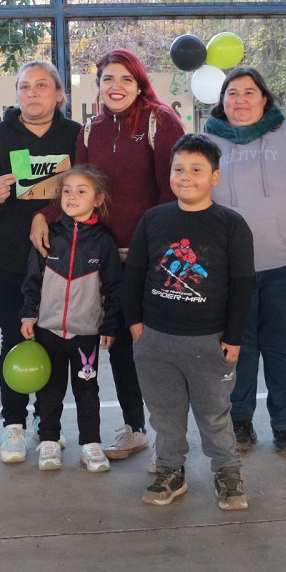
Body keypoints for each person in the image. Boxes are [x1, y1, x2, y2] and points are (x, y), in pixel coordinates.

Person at [31, 49, 185, 463]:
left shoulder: (159, 120)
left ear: (139, 83)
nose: (115, 87)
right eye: (107, 79)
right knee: (115, 346)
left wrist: (154, 252)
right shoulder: (89, 131)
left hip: (147, 258)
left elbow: (171, 192)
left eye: (125, 79)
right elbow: (76, 184)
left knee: (151, 349)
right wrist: (44, 215)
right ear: (97, 85)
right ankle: (136, 429)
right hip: (99, 259)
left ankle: (169, 441)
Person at [123, 134, 255, 510]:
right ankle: (170, 470)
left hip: (209, 341)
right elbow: (133, 275)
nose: (185, 177)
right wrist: (135, 324)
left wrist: (233, 335)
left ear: (214, 177)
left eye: (196, 170)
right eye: (178, 169)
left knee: (214, 414)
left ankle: (227, 472)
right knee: (165, 415)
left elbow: (243, 284)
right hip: (156, 340)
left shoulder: (231, 224)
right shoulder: (153, 218)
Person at [0, 60, 82, 464]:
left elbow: (90, 195)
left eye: (42, 85)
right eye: (25, 86)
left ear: (59, 94)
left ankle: (46, 426)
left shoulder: (75, 137)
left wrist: (47, 215)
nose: (32, 93)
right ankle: (12, 427)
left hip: (64, 265)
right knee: (14, 339)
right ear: (16, 94)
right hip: (8, 264)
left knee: (54, 345)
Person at [206, 67, 286, 456]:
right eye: (232, 93)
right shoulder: (206, 140)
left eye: (250, 92)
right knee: (238, 347)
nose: (241, 100)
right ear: (222, 100)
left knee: (281, 346)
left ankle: (285, 424)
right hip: (233, 269)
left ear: (265, 98)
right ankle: (241, 420)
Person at [18, 165, 123, 472]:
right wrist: (28, 314)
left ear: (98, 198)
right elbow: (32, 279)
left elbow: (114, 287)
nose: (72, 196)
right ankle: (49, 441)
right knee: (50, 391)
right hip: (48, 330)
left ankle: (90, 444)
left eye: (82, 191)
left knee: (87, 391)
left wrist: (109, 325)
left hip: (86, 334)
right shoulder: (48, 235)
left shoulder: (103, 241)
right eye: (66, 190)